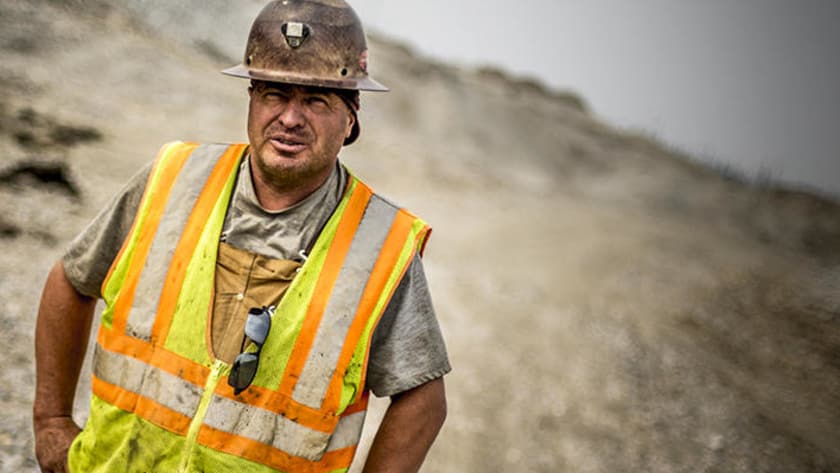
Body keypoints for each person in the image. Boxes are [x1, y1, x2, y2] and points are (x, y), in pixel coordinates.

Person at [31, 1, 450, 472]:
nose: (291, 118)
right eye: (275, 93)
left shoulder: (380, 243)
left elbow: (422, 398)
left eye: (316, 100)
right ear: (251, 98)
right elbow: (71, 281)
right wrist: (50, 421)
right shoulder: (173, 179)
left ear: (351, 117)